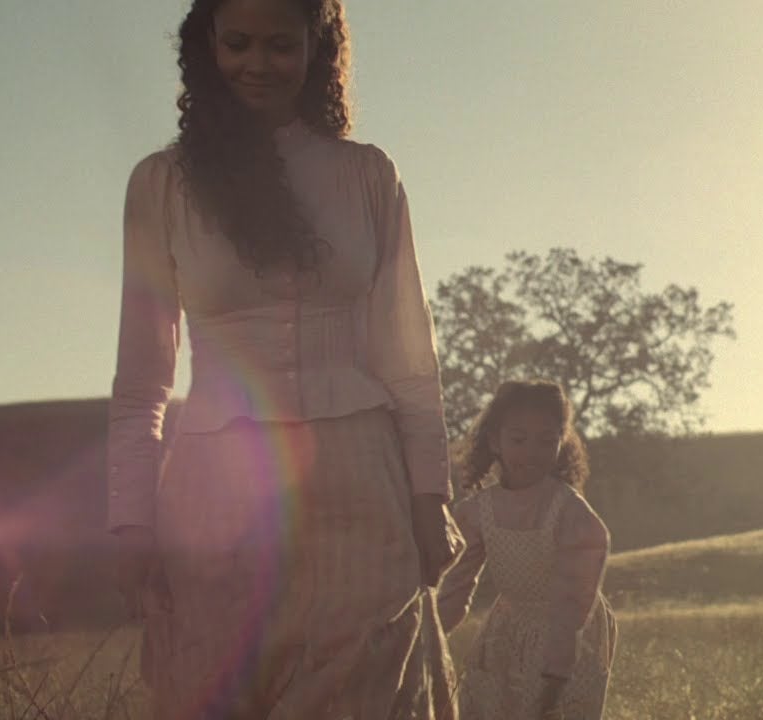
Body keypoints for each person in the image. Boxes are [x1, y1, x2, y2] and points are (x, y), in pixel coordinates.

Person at [106, 0, 462, 717]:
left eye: (279, 45)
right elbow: (143, 378)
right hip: (217, 489)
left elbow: (408, 357)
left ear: (316, 47)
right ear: (207, 47)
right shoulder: (161, 183)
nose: (256, 64)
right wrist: (130, 518)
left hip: (360, 479)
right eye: (237, 43)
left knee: (366, 692)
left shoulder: (367, 175)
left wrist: (431, 495)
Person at [438, 381, 617, 720]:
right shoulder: (477, 512)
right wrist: (429, 641)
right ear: (495, 441)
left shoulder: (569, 512)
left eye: (546, 441)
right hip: (509, 630)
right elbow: (454, 586)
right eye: (519, 440)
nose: (532, 453)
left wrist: (558, 664)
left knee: (552, 711)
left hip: (570, 631)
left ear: (561, 441)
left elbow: (574, 598)